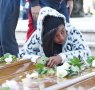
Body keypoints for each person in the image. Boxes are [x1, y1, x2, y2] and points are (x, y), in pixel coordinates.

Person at [19, 7, 91, 68]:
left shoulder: (72, 31)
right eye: (55, 35)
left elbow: (86, 53)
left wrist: (61, 58)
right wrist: (37, 59)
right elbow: (22, 55)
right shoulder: (38, 36)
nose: (61, 38)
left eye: (63, 32)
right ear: (47, 36)